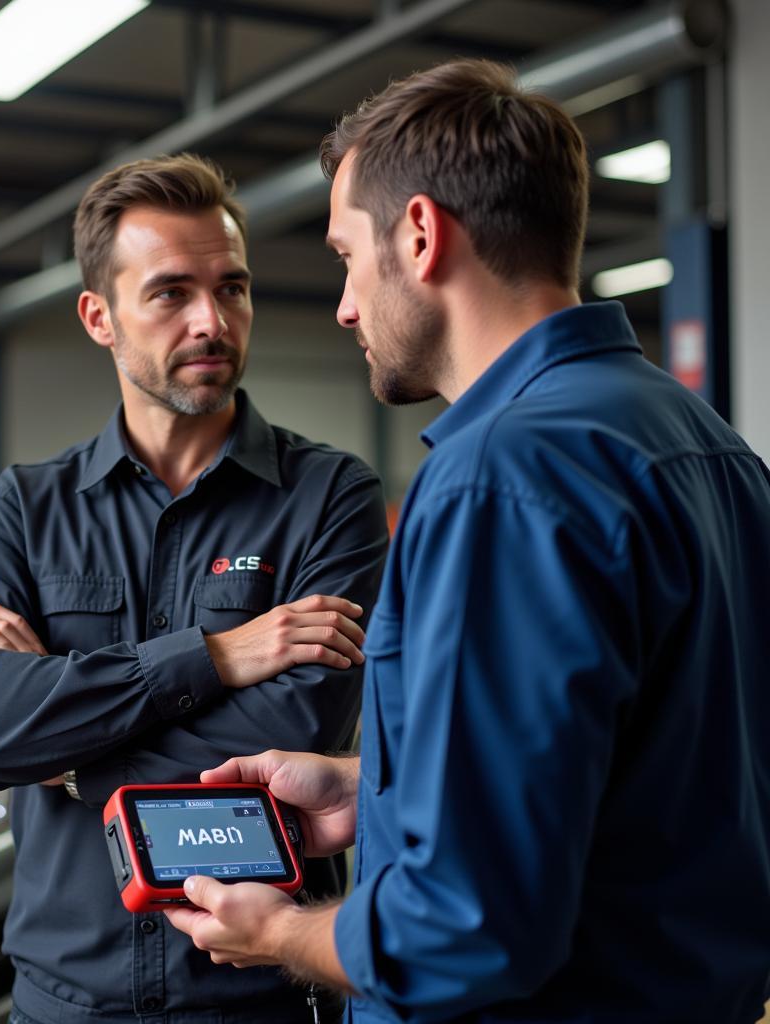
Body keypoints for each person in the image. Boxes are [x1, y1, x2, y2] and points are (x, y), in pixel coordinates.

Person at [165, 60, 770, 1023]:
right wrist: (377, 791)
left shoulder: (500, 479)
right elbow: (654, 770)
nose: (346, 306)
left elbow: (467, 927)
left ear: (418, 234)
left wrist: (280, 933)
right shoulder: (706, 445)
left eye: (346, 257)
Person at [0, 154, 389, 1024]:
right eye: (171, 292)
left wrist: (63, 749)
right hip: (67, 1000)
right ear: (100, 317)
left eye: (233, 288)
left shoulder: (330, 498)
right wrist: (218, 655)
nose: (212, 321)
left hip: (260, 998)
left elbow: (293, 744)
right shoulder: (22, 511)